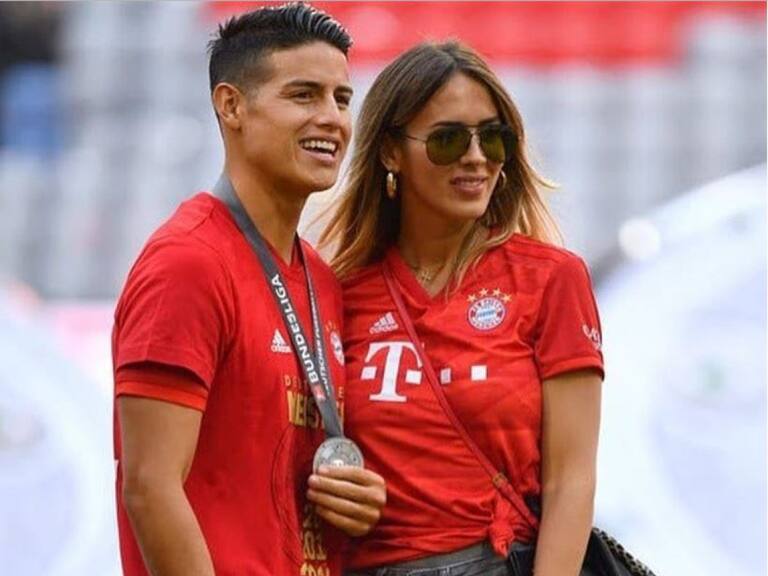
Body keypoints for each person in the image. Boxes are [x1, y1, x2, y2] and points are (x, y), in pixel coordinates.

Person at [112, 4, 386, 576]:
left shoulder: (321, 279)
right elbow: (150, 485)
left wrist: (356, 501)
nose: (332, 119)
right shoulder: (189, 262)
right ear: (231, 105)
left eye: (341, 99)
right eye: (303, 95)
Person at [319, 41, 604, 576]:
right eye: (448, 140)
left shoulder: (551, 279)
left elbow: (571, 480)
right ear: (390, 152)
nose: (476, 157)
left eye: (493, 138)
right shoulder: (338, 292)